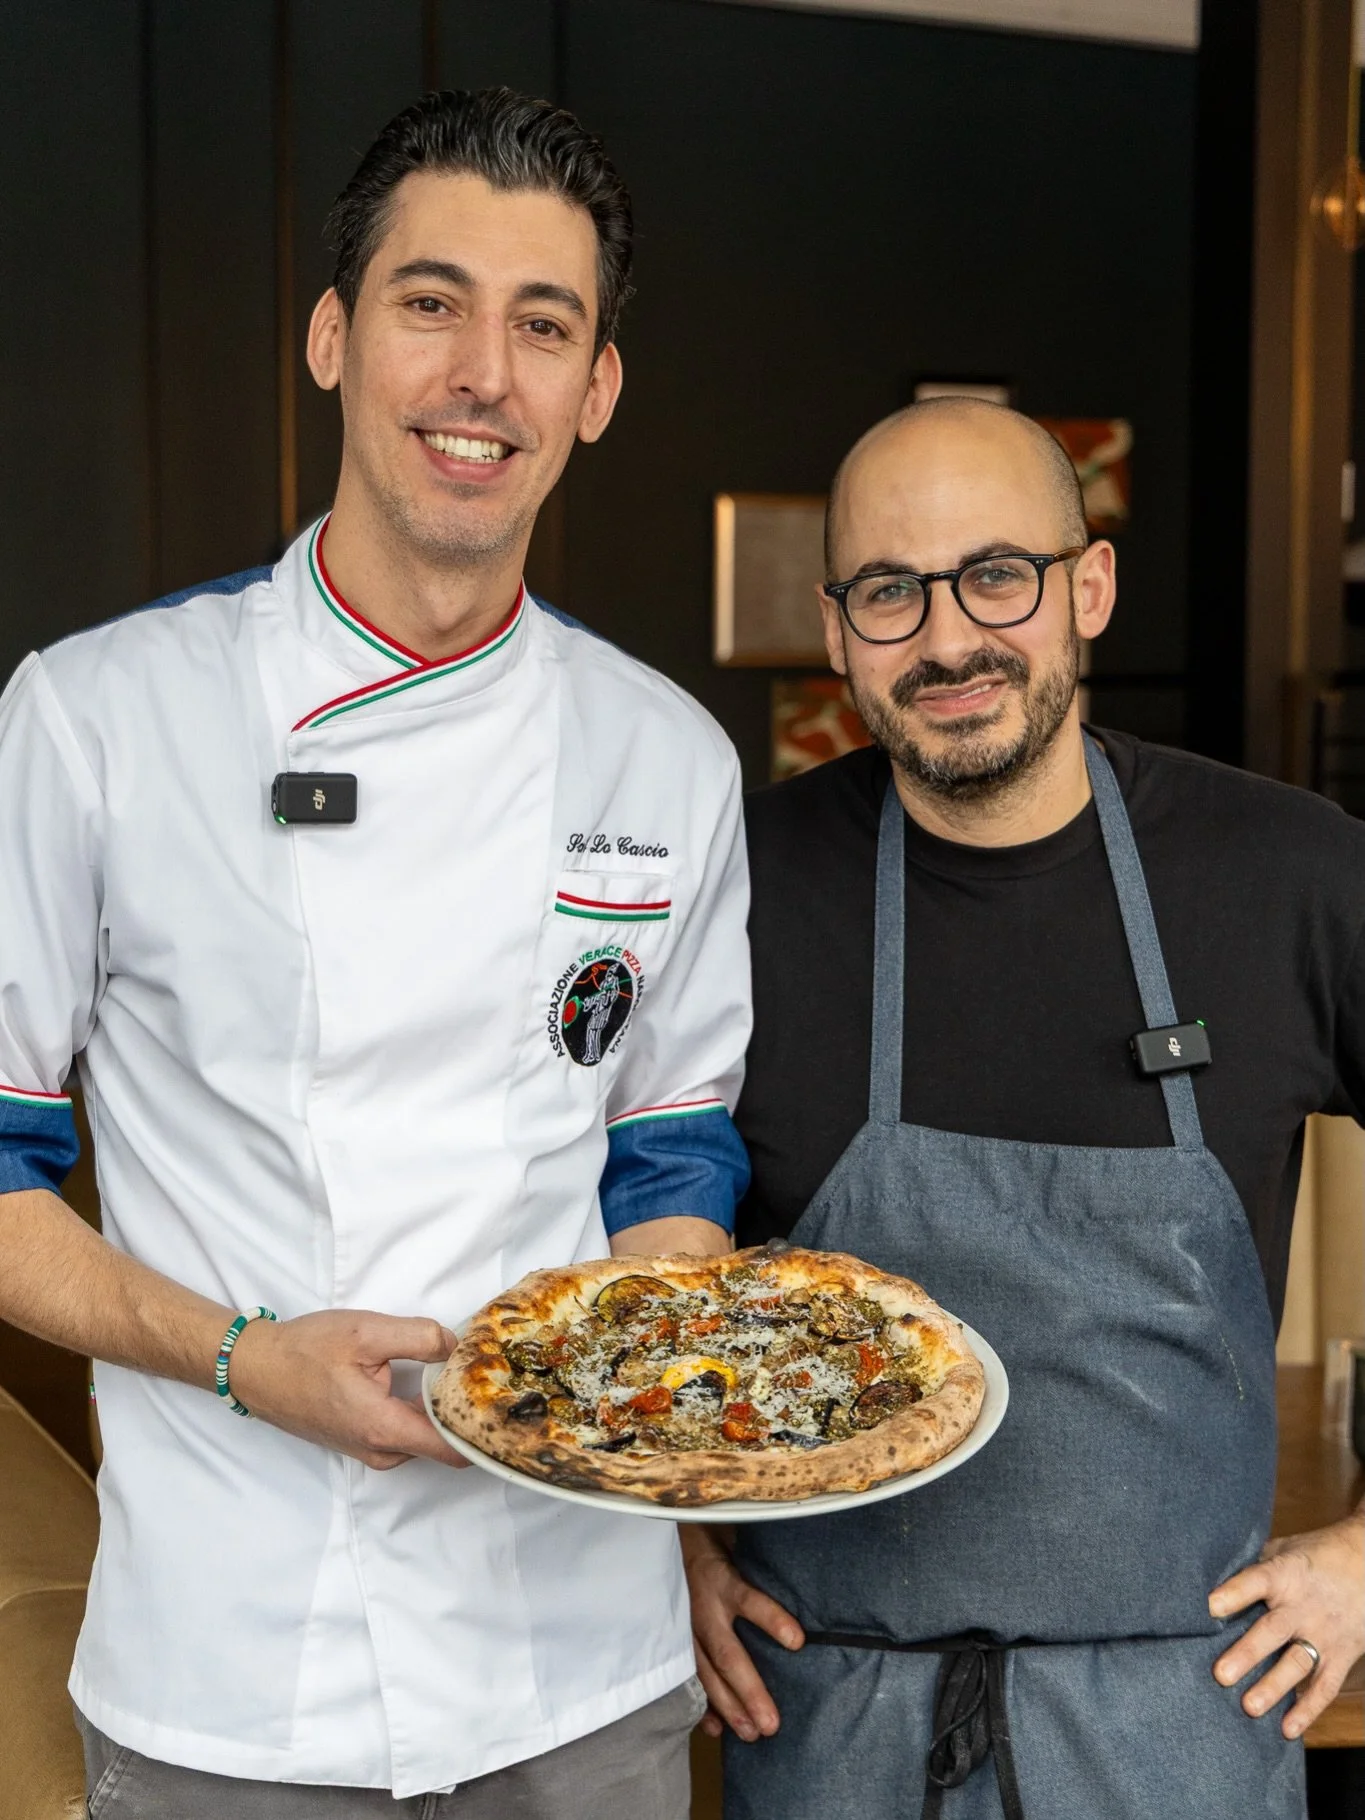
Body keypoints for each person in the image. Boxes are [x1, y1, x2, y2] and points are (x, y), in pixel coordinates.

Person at [0, 89, 751, 1816]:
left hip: (586, 1668)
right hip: (230, 1674)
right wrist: (244, 1353)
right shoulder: (100, 719)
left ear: (597, 391)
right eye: (432, 302)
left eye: (543, 326)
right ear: (334, 340)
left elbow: (671, 1155)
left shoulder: (667, 758)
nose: (484, 372)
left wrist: (623, 1379)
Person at [684, 397, 1365, 1819]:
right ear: (836, 628)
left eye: (999, 575)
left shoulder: (1290, 876)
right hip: (828, 1733)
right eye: (891, 593)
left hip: (1179, 1730)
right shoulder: (737, 891)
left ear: (1089, 589)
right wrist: (659, 1549)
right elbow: (599, 1243)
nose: (947, 641)